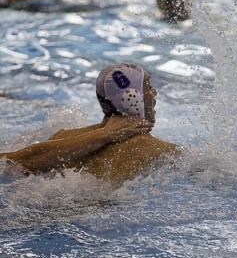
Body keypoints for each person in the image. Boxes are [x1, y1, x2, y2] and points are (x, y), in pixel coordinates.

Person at [1, 63, 178, 184]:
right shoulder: (155, 149)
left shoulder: (61, 137)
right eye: (148, 86)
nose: (154, 93)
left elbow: (11, 165)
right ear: (132, 98)